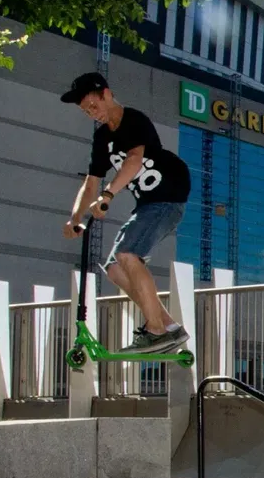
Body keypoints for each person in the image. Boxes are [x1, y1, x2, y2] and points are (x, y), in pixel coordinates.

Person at [59, 72, 192, 351]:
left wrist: (108, 195)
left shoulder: (134, 120)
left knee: (128, 255)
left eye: (93, 106)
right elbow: (91, 181)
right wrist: (75, 218)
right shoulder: (101, 139)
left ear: (106, 94)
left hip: (169, 193)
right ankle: (169, 327)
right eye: (85, 111)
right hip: (147, 203)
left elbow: (133, 161)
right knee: (115, 269)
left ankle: (155, 330)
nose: (91, 114)